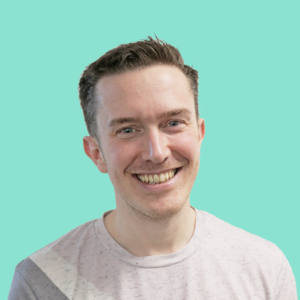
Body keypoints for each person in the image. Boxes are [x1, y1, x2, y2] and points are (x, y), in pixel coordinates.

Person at [8, 36, 297, 300]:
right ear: (96, 153)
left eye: (173, 123)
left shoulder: (263, 267)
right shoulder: (43, 280)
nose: (156, 153)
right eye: (128, 129)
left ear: (199, 134)